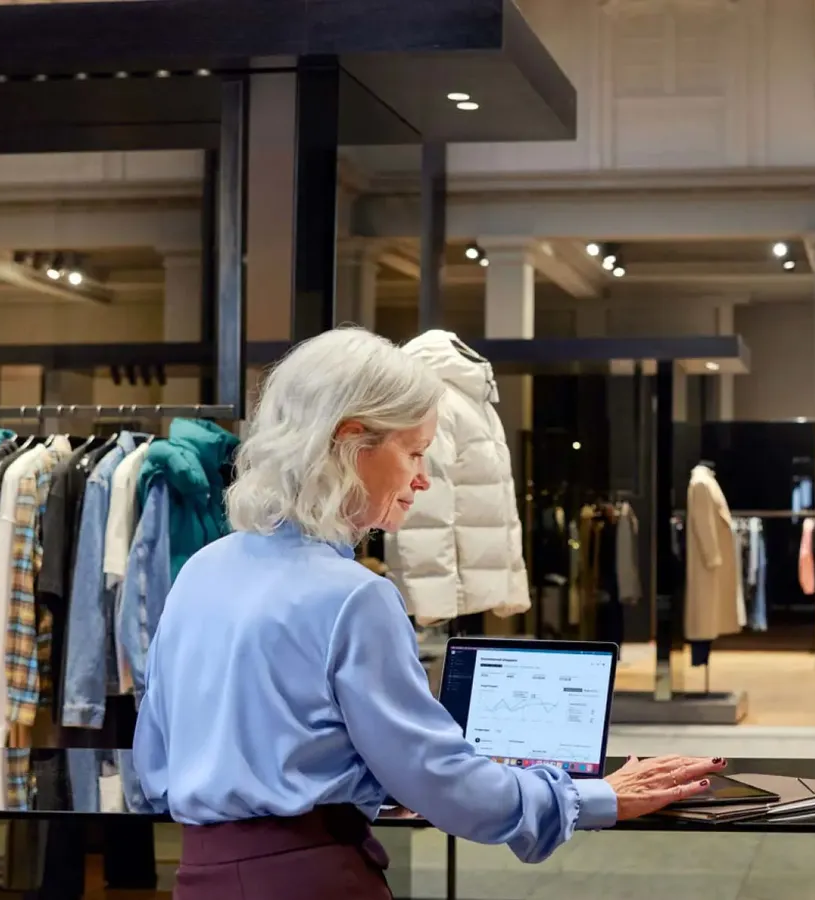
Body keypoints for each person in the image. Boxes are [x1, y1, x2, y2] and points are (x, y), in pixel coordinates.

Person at [133, 328, 723, 899]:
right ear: (349, 441)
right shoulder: (353, 596)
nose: (422, 478)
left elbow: (155, 763)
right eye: (414, 452)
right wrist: (600, 797)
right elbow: (452, 789)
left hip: (201, 877)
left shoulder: (202, 571)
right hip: (312, 878)